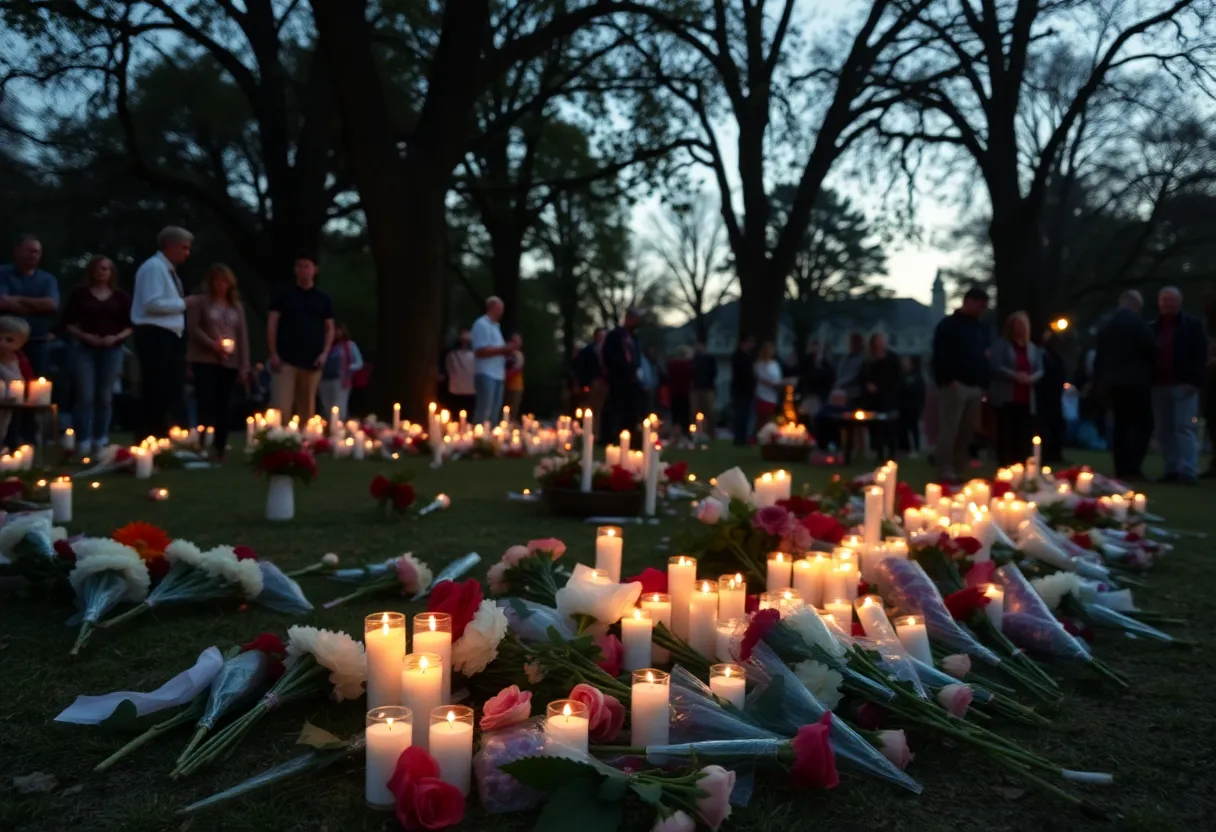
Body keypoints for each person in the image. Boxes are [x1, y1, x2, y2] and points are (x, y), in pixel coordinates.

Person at [62, 255, 133, 456]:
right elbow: (67, 323)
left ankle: (100, 439)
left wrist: (115, 338)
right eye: (99, 268)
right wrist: (84, 336)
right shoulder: (80, 294)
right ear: (92, 271)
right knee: (85, 394)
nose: (103, 272)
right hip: (84, 348)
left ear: (112, 272)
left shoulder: (120, 297)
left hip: (112, 349)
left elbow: (131, 325)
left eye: (107, 269)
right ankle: (83, 439)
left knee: (105, 396)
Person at [132, 226, 192, 437]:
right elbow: (152, 303)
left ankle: (165, 432)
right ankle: (151, 434)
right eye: (184, 248)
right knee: (156, 387)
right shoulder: (154, 268)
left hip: (168, 335)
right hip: (155, 334)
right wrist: (184, 304)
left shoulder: (167, 269)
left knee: (169, 387)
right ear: (170, 246)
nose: (187, 253)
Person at [186, 264, 251, 459]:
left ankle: (220, 445)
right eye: (216, 280)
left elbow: (242, 336)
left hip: (230, 362)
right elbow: (192, 327)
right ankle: (202, 440)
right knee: (205, 400)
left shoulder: (236, 306)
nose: (220, 285)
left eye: (224, 281)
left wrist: (244, 365)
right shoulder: (201, 303)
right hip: (205, 359)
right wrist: (211, 344)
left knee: (224, 403)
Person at [931, 286, 992, 483]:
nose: (982, 310)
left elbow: (985, 357)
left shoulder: (981, 329)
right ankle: (945, 467)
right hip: (955, 385)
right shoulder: (948, 326)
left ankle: (958, 466)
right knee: (950, 428)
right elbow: (940, 356)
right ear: (968, 302)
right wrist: (949, 380)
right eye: (979, 305)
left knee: (966, 430)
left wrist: (983, 383)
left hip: (975, 386)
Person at [1149, 286, 1209, 485]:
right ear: (1159, 303)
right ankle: (1171, 468)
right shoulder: (1153, 328)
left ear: (1179, 303)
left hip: (1184, 385)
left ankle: (1188, 470)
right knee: (1164, 429)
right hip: (1159, 385)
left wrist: (1194, 381)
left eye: (1171, 301)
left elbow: (1201, 355)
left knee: (1185, 428)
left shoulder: (1192, 326)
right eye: (1165, 301)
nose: (1168, 304)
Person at [1094, 291, 1156, 480]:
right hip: (1136, 382)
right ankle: (1133, 466)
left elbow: (1099, 356)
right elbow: (1152, 348)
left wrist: (1100, 381)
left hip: (1114, 382)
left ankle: (1121, 468)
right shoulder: (1138, 324)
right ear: (1136, 305)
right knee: (1144, 424)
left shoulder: (1106, 325)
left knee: (1120, 426)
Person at [268, 254, 334, 421]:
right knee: (281, 406)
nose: (303, 270)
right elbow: (272, 324)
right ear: (295, 270)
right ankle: (278, 441)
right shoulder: (283, 295)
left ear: (315, 270)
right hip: (286, 359)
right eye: (300, 266)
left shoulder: (323, 299)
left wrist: (324, 353)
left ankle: (305, 442)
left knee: (307, 408)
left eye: (307, 266)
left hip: (312, 360)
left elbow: (329, 328)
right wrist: (273, 352)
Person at [0, 234, 60, 377]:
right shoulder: (2, 273)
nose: (33, 255)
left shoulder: (47, 279)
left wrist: (17, 299)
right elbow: (2, 303)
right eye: (29, 250)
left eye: (37, 252)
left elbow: (51, 305)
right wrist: (38, 305)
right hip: (5, 341)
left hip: (37, 340)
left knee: (35, 383)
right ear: (17, 250)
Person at [989, 311, 1044, 466]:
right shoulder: (1002, 345)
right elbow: (996, 365)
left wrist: (1031, 378)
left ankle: (1023, 462)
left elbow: (1040, 368)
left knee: (1024, 432)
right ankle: (1005, 463)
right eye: (1016, 325)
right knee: (1006, 431)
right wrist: (1014, 375)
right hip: (1006, 396)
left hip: (1026, 397)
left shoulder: (1032, 348)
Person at [471, 297, 516, 425]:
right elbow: (480, 351)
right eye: (499, 309)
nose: (501, 312)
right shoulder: (481, 324)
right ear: (491, 307)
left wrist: (508, 352)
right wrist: (503, 349)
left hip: (498, 374)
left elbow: (497, 349)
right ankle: (479, 439)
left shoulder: (496, 327)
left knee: (494, 412)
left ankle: (490, 441)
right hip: (486, 373)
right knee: (484, 410)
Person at [601, 308, 643, 442]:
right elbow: (609, 355)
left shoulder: (634, 338)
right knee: (614, 408)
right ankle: (609, 436)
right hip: (618, 378)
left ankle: (628, 435)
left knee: (630, 409)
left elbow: (636, 356)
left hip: (631, 379)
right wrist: (622, 367)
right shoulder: (615, 336)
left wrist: (635, 368)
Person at [862, 332, 902, 459]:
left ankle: (891, 452)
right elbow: (863, 376)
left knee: (889, 426)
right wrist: (868, 385)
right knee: (875, 426)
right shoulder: (869, 360)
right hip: (873, 399)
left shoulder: (892, 358)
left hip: (888, 396)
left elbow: (897, 377)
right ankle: (879, 452)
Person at [319, 323, 364, 421]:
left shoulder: (349, 346)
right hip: (324, 379)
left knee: (339, 406)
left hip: (341, 380)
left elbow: (359, 362)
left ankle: (339, 426)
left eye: (338, 330)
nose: (336, 333)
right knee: (326, 406)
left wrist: (348, 368)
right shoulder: (325, 346)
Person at [0, 316, 33, 444]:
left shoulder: (20, 360)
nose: (2, 343)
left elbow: (27, 381)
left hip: (13, 405)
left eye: (9, 340)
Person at [1037, 329, 1068, 464]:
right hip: (1044, 396)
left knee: (1057, 425)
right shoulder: (1042, 356)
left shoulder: (1055, 357)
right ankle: (1045, 454)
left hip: (1055, 396)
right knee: (1045, 426)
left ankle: (1055, 453)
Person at [897, 355, 926, 456]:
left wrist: (920, 404)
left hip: (914, 406)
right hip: (902, 406)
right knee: (902, 428)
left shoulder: (917, 376)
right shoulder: (899, 376)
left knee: (914, 428)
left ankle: (916, 448)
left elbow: (921, 391)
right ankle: (905, 448)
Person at [798, 339, 835, 419]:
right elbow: (805, 376)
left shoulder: (825, 363)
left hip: (822, 396)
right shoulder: (806, 361)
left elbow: (830, 377)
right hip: (808, 394)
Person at [730, 335, 756, 445]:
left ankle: (743, 437)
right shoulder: (738, 357)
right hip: (741, 389)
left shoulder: (748, 356)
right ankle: (739, 438)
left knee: (746, 415)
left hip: (747, 390)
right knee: (741, 414)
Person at [443, 329, 476, 416]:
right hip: (456, 390)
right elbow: (449, 369)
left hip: (469, 390)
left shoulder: (474, 355)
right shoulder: (452, 354)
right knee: (454, 415)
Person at [753, 340, 783, 430]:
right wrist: (773, 384)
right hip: (762, 395)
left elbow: (778, 379)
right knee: (761, 419)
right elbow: (761, 378)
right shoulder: (758, 365)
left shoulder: (775, 365)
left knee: (770, 419)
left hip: (773, 396)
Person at [690, 338, 717, 437]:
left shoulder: (709, 359)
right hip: (696, 389)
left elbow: (713, 373)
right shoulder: (694, 359)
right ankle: (696, 433)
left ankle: (711, 433)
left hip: (707, 388)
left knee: (710, 412)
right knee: (695, 412)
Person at [666, 345, 694, 437]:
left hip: (674, 392)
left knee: (675, 415)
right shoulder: (689, 364)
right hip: (685, 392)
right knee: (685, 415)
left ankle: (675, 433)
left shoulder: (671, 364)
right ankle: (685, 433)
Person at [835, 332, 867, 405]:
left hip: (855, 391)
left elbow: (853, 376)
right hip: (841, 390)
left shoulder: (864, 359)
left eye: (853, 342)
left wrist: (841, 383)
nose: (850, 345)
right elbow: (839, 374)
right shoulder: (846, 358)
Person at [504, 333, 525, 418]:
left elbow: (517, 370)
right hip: (505, 386)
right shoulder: (505, 355)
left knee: (513, 409)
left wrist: (505, 376)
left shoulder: (519, 355)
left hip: (516, 386)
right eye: (515, 341)